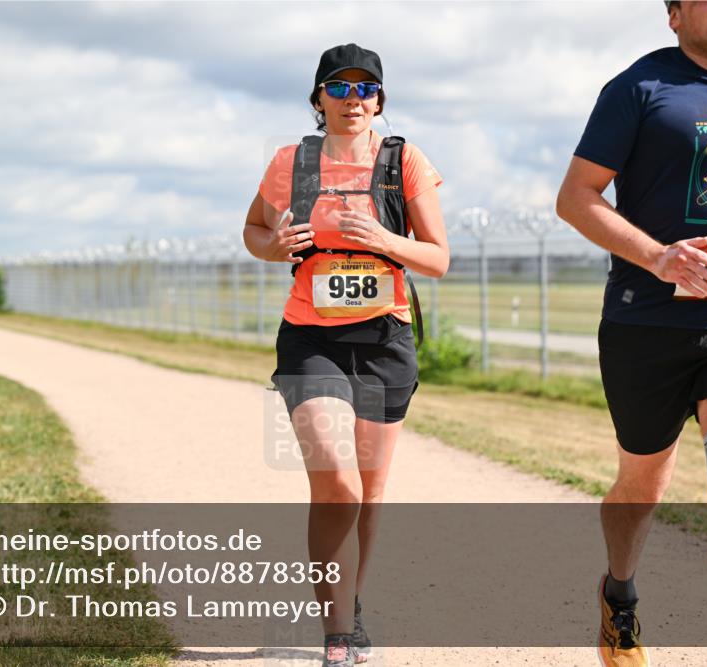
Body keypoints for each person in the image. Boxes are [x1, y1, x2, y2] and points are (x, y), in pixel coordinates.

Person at [556, 2, 707, 666]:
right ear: (675, 14)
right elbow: (577, 197)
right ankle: (620, 594)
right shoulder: (639, 88)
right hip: (644, 323)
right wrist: (660, 256)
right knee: (643, 485)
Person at [243, 44, 448, 667]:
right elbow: (253, 231)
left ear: (379, 100)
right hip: (312, 338)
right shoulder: (292, 161)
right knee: (337, 477)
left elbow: (438, 258)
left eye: (366, 89)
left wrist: (384, 240)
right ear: (319, 99)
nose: (353, 99)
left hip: (385, 339)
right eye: (340, 87)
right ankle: (336, 631)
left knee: (370, 491)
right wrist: (275, 245)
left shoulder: (403, 160)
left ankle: (349, 608)